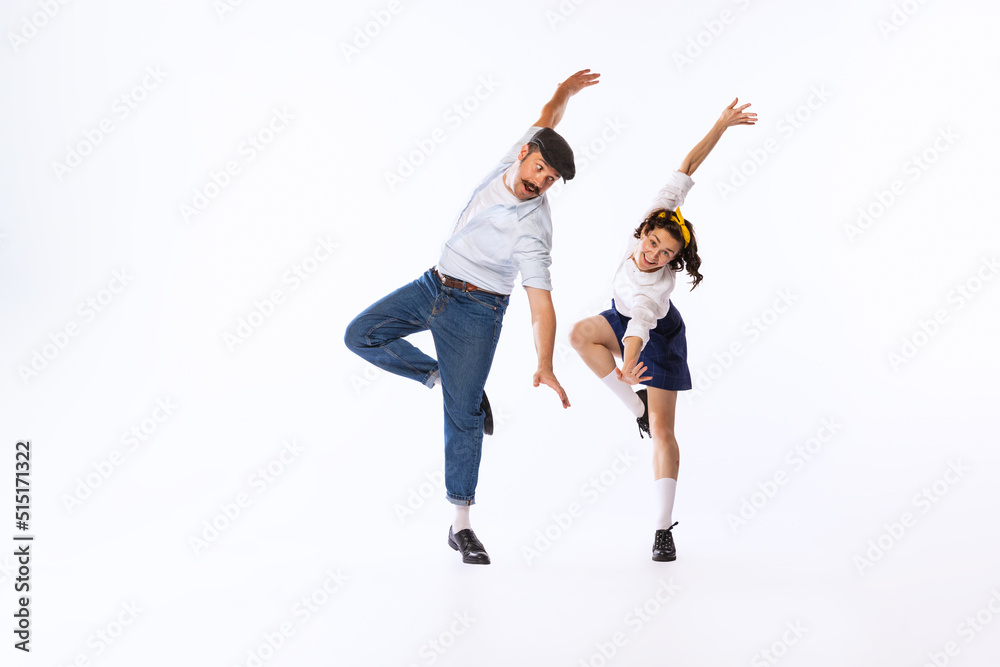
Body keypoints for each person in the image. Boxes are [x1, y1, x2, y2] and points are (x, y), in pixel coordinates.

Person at [344, 69, 600, 565]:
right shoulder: (517, 154)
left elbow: (541, 304)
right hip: (432, 285)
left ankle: (460, 524)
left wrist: (544, 363)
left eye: (550, 180)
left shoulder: (534, 226)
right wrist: (564, 92)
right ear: (526, 152)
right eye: (540, 169)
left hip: (478, 312)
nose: (540, 183)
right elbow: (547, 118)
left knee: (461, 418)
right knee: (361, 335)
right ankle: (440, 375)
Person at [569, 98, 756, 562]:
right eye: (652, 244)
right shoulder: (657, 216)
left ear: (674, 260)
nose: (653, 255)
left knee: (663, 433)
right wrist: (721, 124)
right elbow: (689, 165)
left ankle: (662, 529)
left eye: (665, 254)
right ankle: (635, 408)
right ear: (647, 229)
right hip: (620, 318)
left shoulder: (653, 289)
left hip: (658, 333)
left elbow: (639, 327)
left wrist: (631, 363)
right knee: (579, 335)